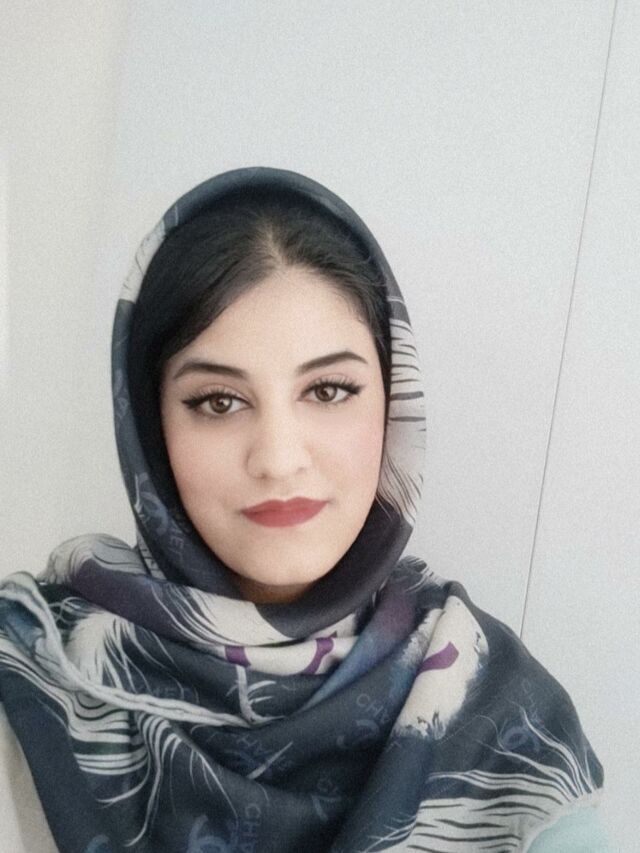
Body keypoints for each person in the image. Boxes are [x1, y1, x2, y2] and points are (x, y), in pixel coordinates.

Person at [0, 167, 614, 852]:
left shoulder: (500, 715)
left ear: (395, 404)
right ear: (148, 425)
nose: (279, 458)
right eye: (219, 401)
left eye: (327, 390)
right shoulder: (32, 675)